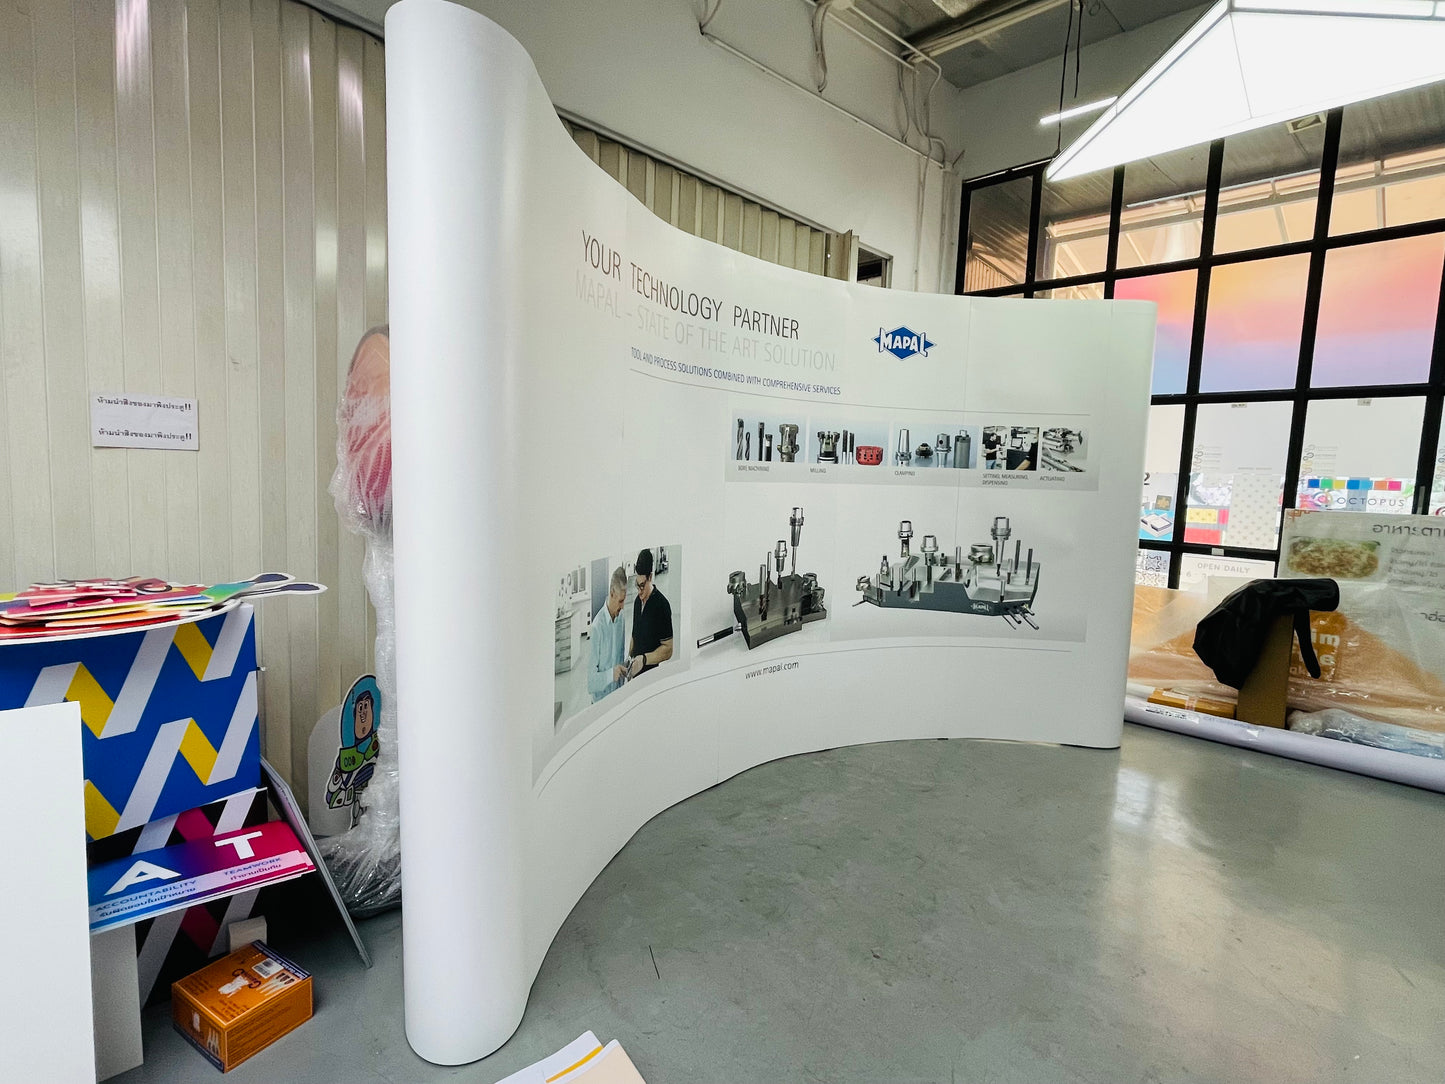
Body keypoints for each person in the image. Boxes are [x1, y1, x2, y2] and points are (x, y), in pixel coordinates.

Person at [627, 548, 673, 678]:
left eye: (642, 585)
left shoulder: (661, 605)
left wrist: (644, 660)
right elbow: (634, 635)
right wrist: (629, 657)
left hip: (650, 675)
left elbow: (668, 649)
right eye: (637, 585)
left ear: (650, 577)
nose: (639, 591)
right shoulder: (637, 602)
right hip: (635, 673)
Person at [588, 566, 629, 702]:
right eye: (620, 601)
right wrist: (612, 674)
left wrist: (626, 667)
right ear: (612, 593)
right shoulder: (597, 628)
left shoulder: (621, 619)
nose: (623, 606)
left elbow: (619, 658)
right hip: (601, 702)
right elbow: (591, 683)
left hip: (618, 697)